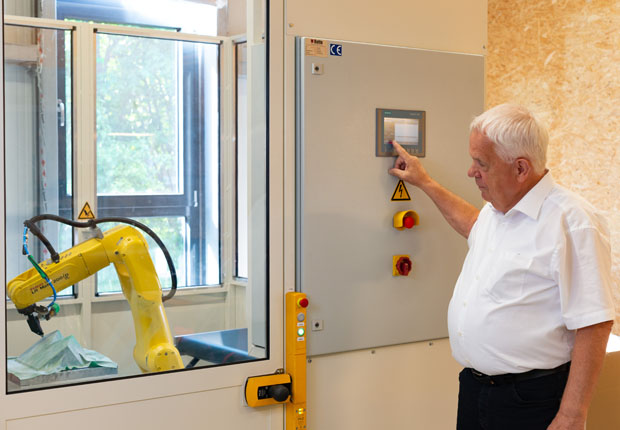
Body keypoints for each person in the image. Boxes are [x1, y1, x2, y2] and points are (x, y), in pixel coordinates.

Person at [388, 103, 615, 430]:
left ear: (521, 169)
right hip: (476, 390)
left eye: (481, 163)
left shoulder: (573, 223)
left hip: (529, 401)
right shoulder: (499, 210)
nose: (471, 171)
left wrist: (571, 414)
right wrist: (425, 183)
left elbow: (594, 324)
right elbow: (472, 225)